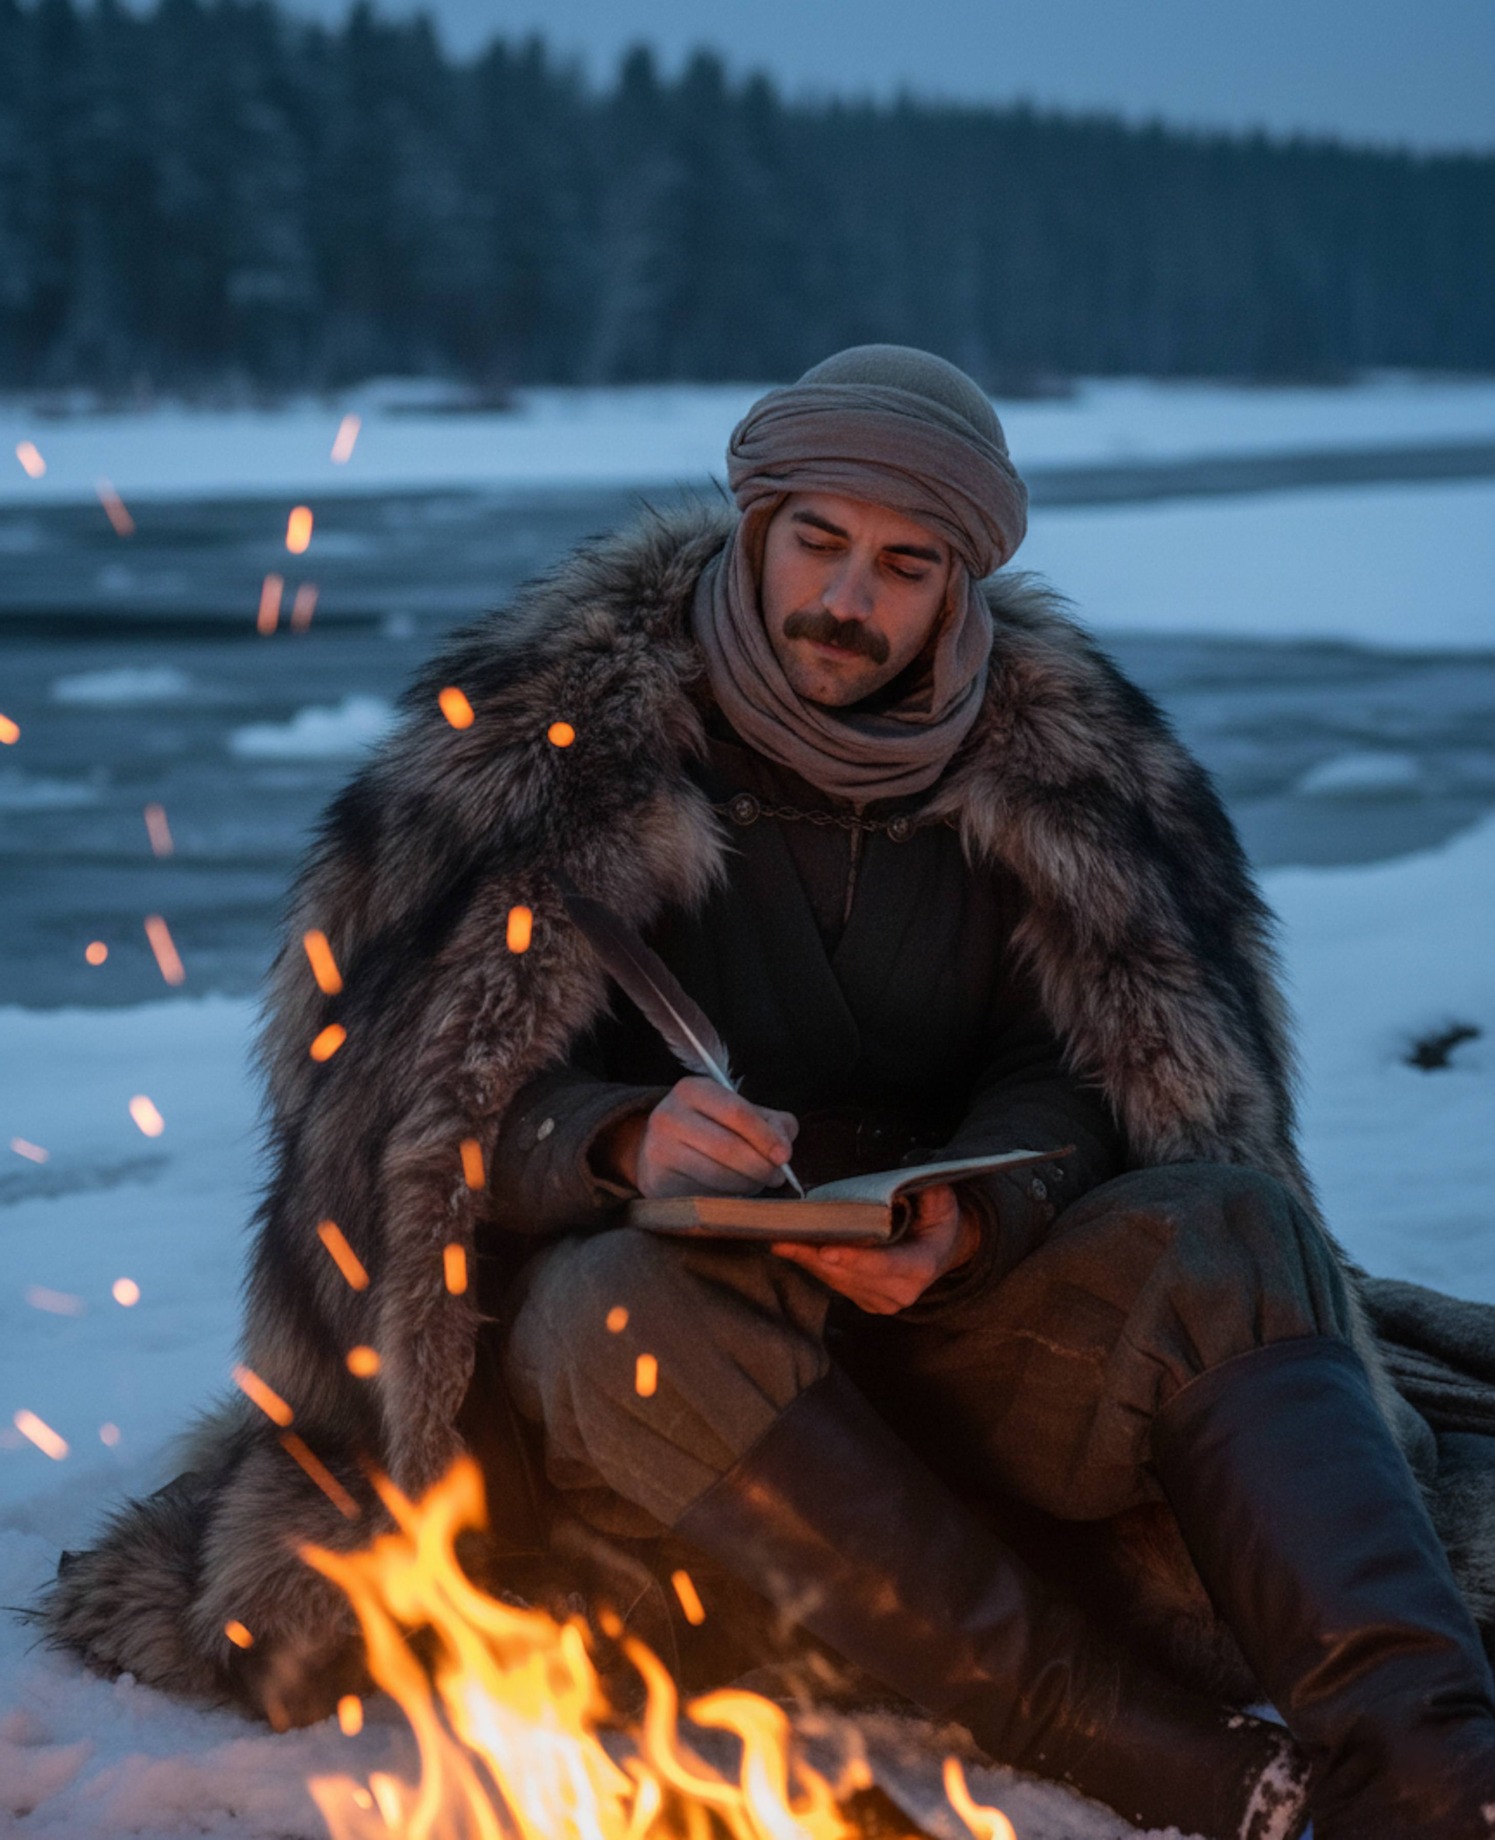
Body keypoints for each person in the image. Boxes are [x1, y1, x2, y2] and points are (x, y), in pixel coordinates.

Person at [41, 348, 1495, 1838]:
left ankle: (1436, 1767)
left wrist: (980, 1206)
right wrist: (619, 1141)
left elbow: (1083, 1075)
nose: (846, 600)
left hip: (952, 1331)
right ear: (756, 525)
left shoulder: (1065, 775)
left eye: (903, 564)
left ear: (959, 587)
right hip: (641, 1389)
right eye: (819, 542)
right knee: (624, 1313)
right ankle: (1170, 1764)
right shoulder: (552, 751)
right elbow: (400, 1122)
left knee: (1235, 1230)